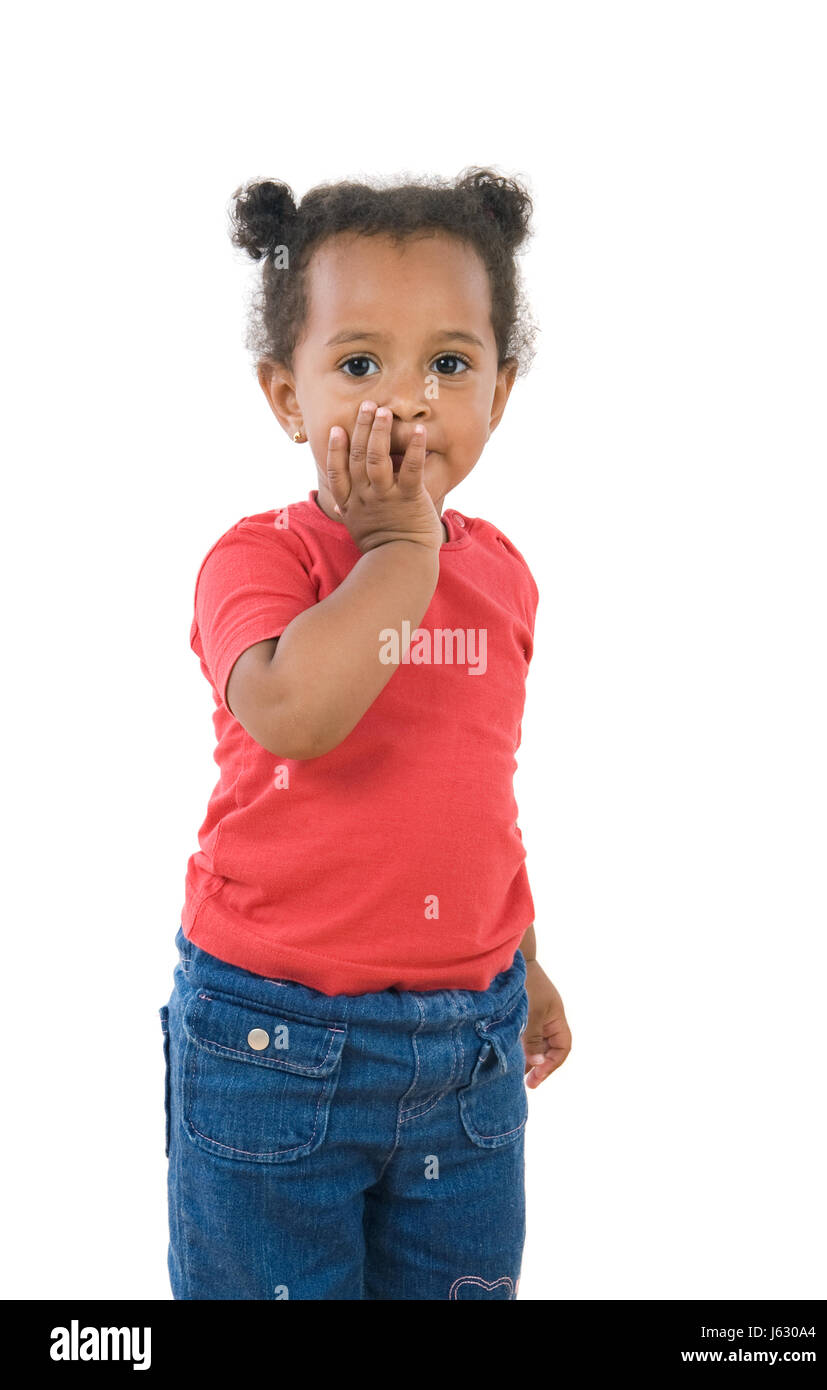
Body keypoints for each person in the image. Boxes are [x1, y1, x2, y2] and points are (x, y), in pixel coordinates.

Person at [159, 167, 572, 1300]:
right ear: (284, 397)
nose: (407, 399)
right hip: (273, 1044)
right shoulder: (259, 561)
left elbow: (475, 789)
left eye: (449, 363)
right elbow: (296, 712)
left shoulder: (503, 578)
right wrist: (397, 551)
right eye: (357, 366)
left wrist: (522, 958)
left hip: (469, 1048)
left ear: (501, 390)